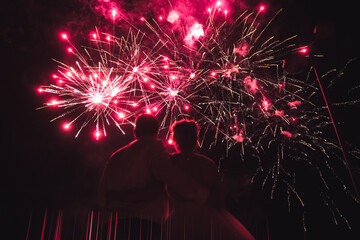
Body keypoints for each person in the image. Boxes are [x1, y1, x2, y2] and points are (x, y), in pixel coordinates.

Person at [97, 114, 208, 240]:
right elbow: (173, 177)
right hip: (144, 224)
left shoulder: (115, 156)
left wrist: (119, 197)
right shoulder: (154, 148)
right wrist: (201, 194)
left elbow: (102, 199)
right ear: (157, 131)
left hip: (112, 226)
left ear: (135, 131)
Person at [168, 119, 255, 240]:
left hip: (177, 217)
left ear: (175, 139)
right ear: (196, 139)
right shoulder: (208, 164)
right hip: (206, 218)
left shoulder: (169, 162)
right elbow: (219, 199)